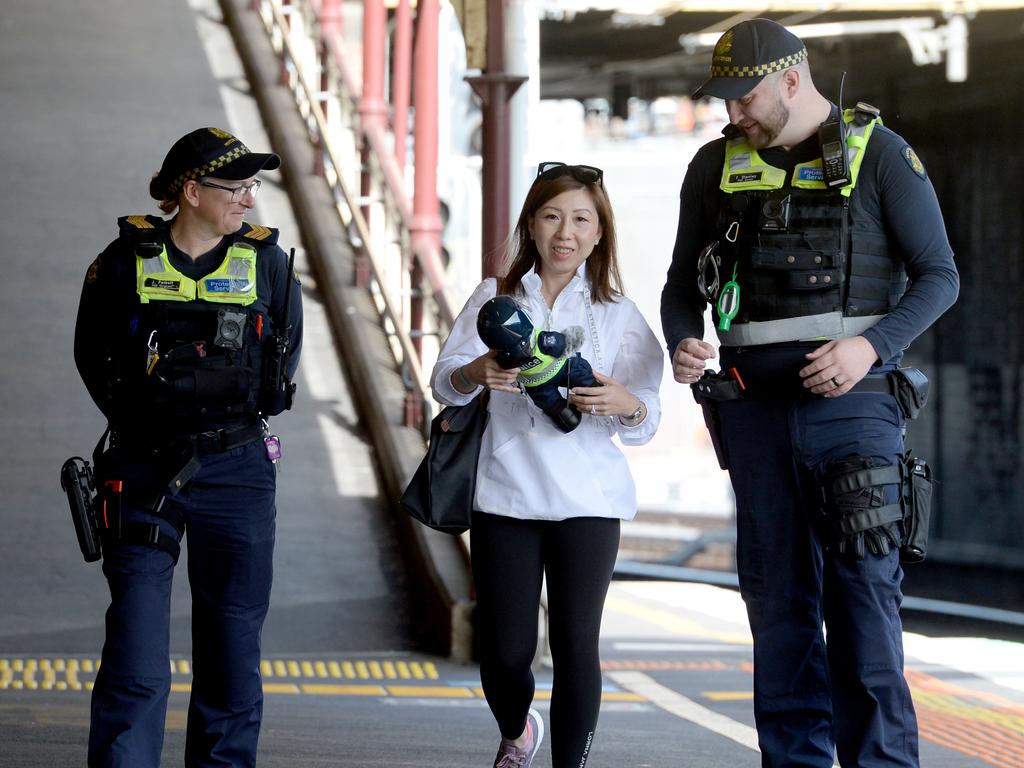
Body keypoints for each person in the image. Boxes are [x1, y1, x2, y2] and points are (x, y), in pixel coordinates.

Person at [661, 19, 959, 768]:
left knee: (863, 609)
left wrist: (870, 346)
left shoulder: (884, 157)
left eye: (746, 97)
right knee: (779, 611)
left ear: (792, 80)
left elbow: (940, 278)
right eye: (725, 101)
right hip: (752, 413)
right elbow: (676, 288)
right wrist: (683, 341)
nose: (734, 115)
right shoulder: (712, 168)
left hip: (853, 410)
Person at [74, 126, 303, 767]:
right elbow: (92, 355)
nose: (249, 201)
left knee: (233, 654)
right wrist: (148, 423)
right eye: (236, 187)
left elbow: (283, 360)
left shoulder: (268, 265)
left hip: (239, 471)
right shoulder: (122, 263)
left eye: (253, 187)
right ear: (191, 191)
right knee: (137, 654)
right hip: (142, 471)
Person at [430, 162, 663, 768]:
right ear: (531, 225)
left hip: (589, 501)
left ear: (598, 232)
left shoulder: (619, 313)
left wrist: (629, 405)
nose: (566, 232)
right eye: (553, 216)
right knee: (505, 653)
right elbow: (443, 383)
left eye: (581, 219)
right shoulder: (494, 298)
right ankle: (516, 729)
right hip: (505, 495)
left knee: (575, 642)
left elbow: (648, 413)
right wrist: (473, 373)